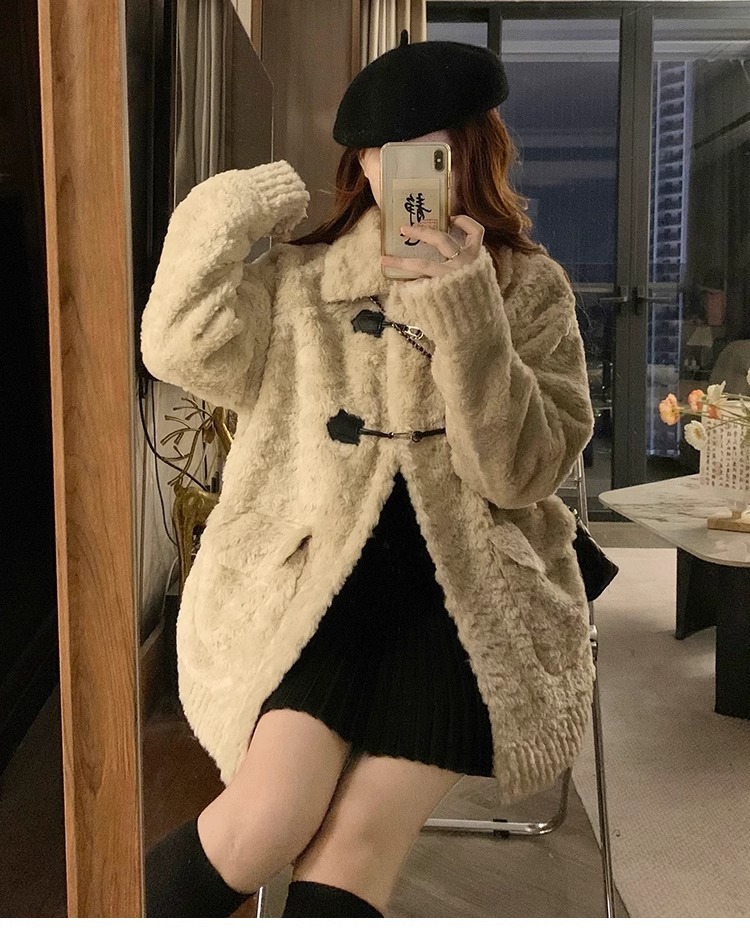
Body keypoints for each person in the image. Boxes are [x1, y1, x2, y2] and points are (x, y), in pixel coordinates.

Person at [141, 31, 596, 918]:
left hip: (469, 598)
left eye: (432, 153)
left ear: (474, 154)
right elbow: (178, 346)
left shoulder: (529, 289)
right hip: (314, 584)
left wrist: (465, 307)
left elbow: (520, 474)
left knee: (352, 850)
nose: (410, 176)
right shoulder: (298, 283)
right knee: (262, 824)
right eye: (389, 154)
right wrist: (240, 203)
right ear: (362, 165)